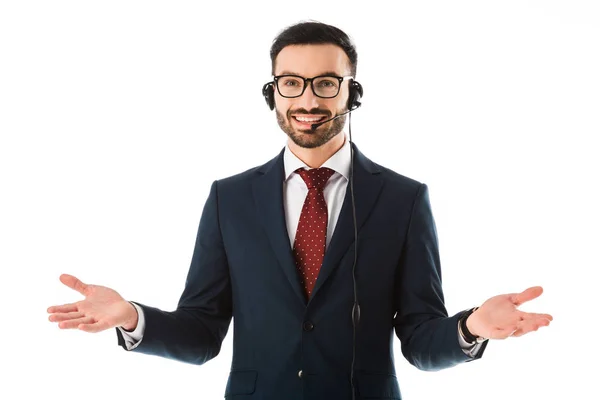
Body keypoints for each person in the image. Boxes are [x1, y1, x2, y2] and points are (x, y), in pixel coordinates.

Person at [47, 21, 553, 400]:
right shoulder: (230, 198)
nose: (307, 99)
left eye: (326, 83)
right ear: (272, 93)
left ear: (352, 94)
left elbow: (420, 339)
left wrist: (471, 329)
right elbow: (201, 333)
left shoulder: (403, 199)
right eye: (291, 82)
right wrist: (131, 317)